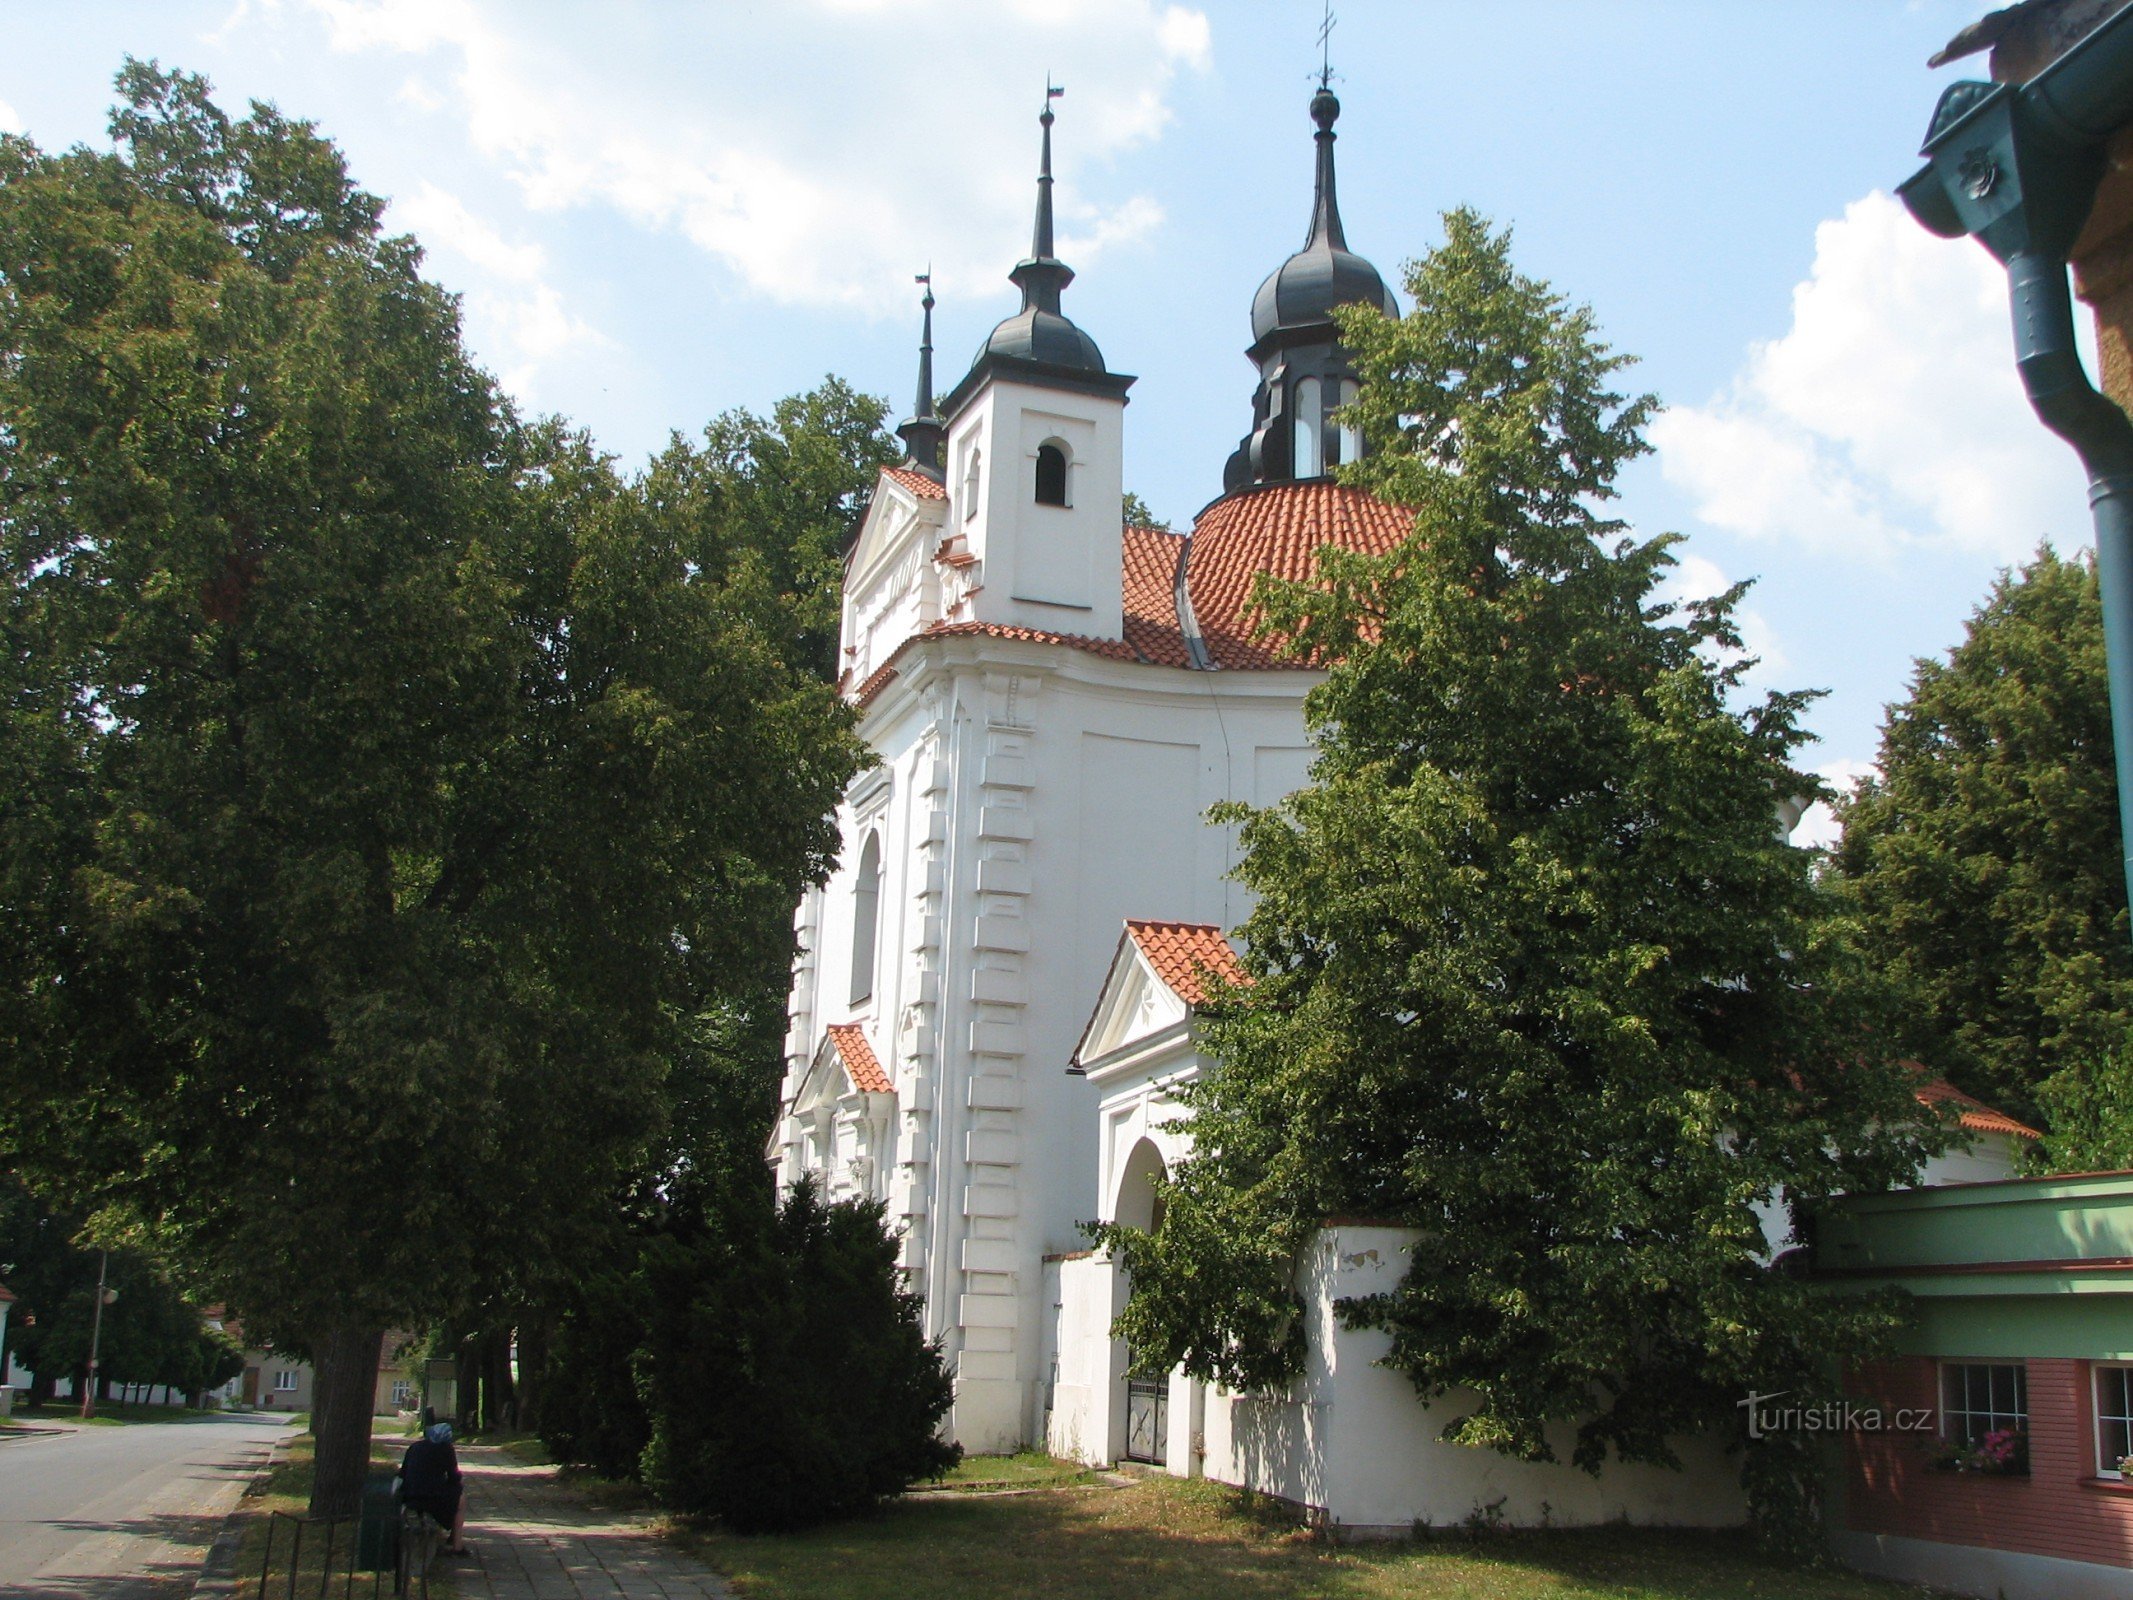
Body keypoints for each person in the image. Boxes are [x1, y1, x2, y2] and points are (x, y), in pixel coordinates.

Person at [399, 1419, 471, 1556]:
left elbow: (403, 1472)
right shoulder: (446, 1449)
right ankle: (457, 1545)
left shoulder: (415, 1447)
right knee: (460, 1499)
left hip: (410, 1494)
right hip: (433, 1496)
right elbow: (453, 1477)